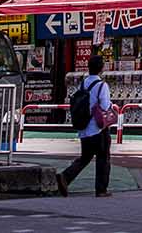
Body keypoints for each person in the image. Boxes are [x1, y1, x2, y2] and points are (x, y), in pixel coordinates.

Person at [55, 53, 112, 197]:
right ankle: (101, 189)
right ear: (101, 68)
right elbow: (105, 106)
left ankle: (65, 177)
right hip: (98, 128)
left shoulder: (83, 84)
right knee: (103, 157)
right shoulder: (102, 85)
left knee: (85, 157)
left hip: (84, 127)